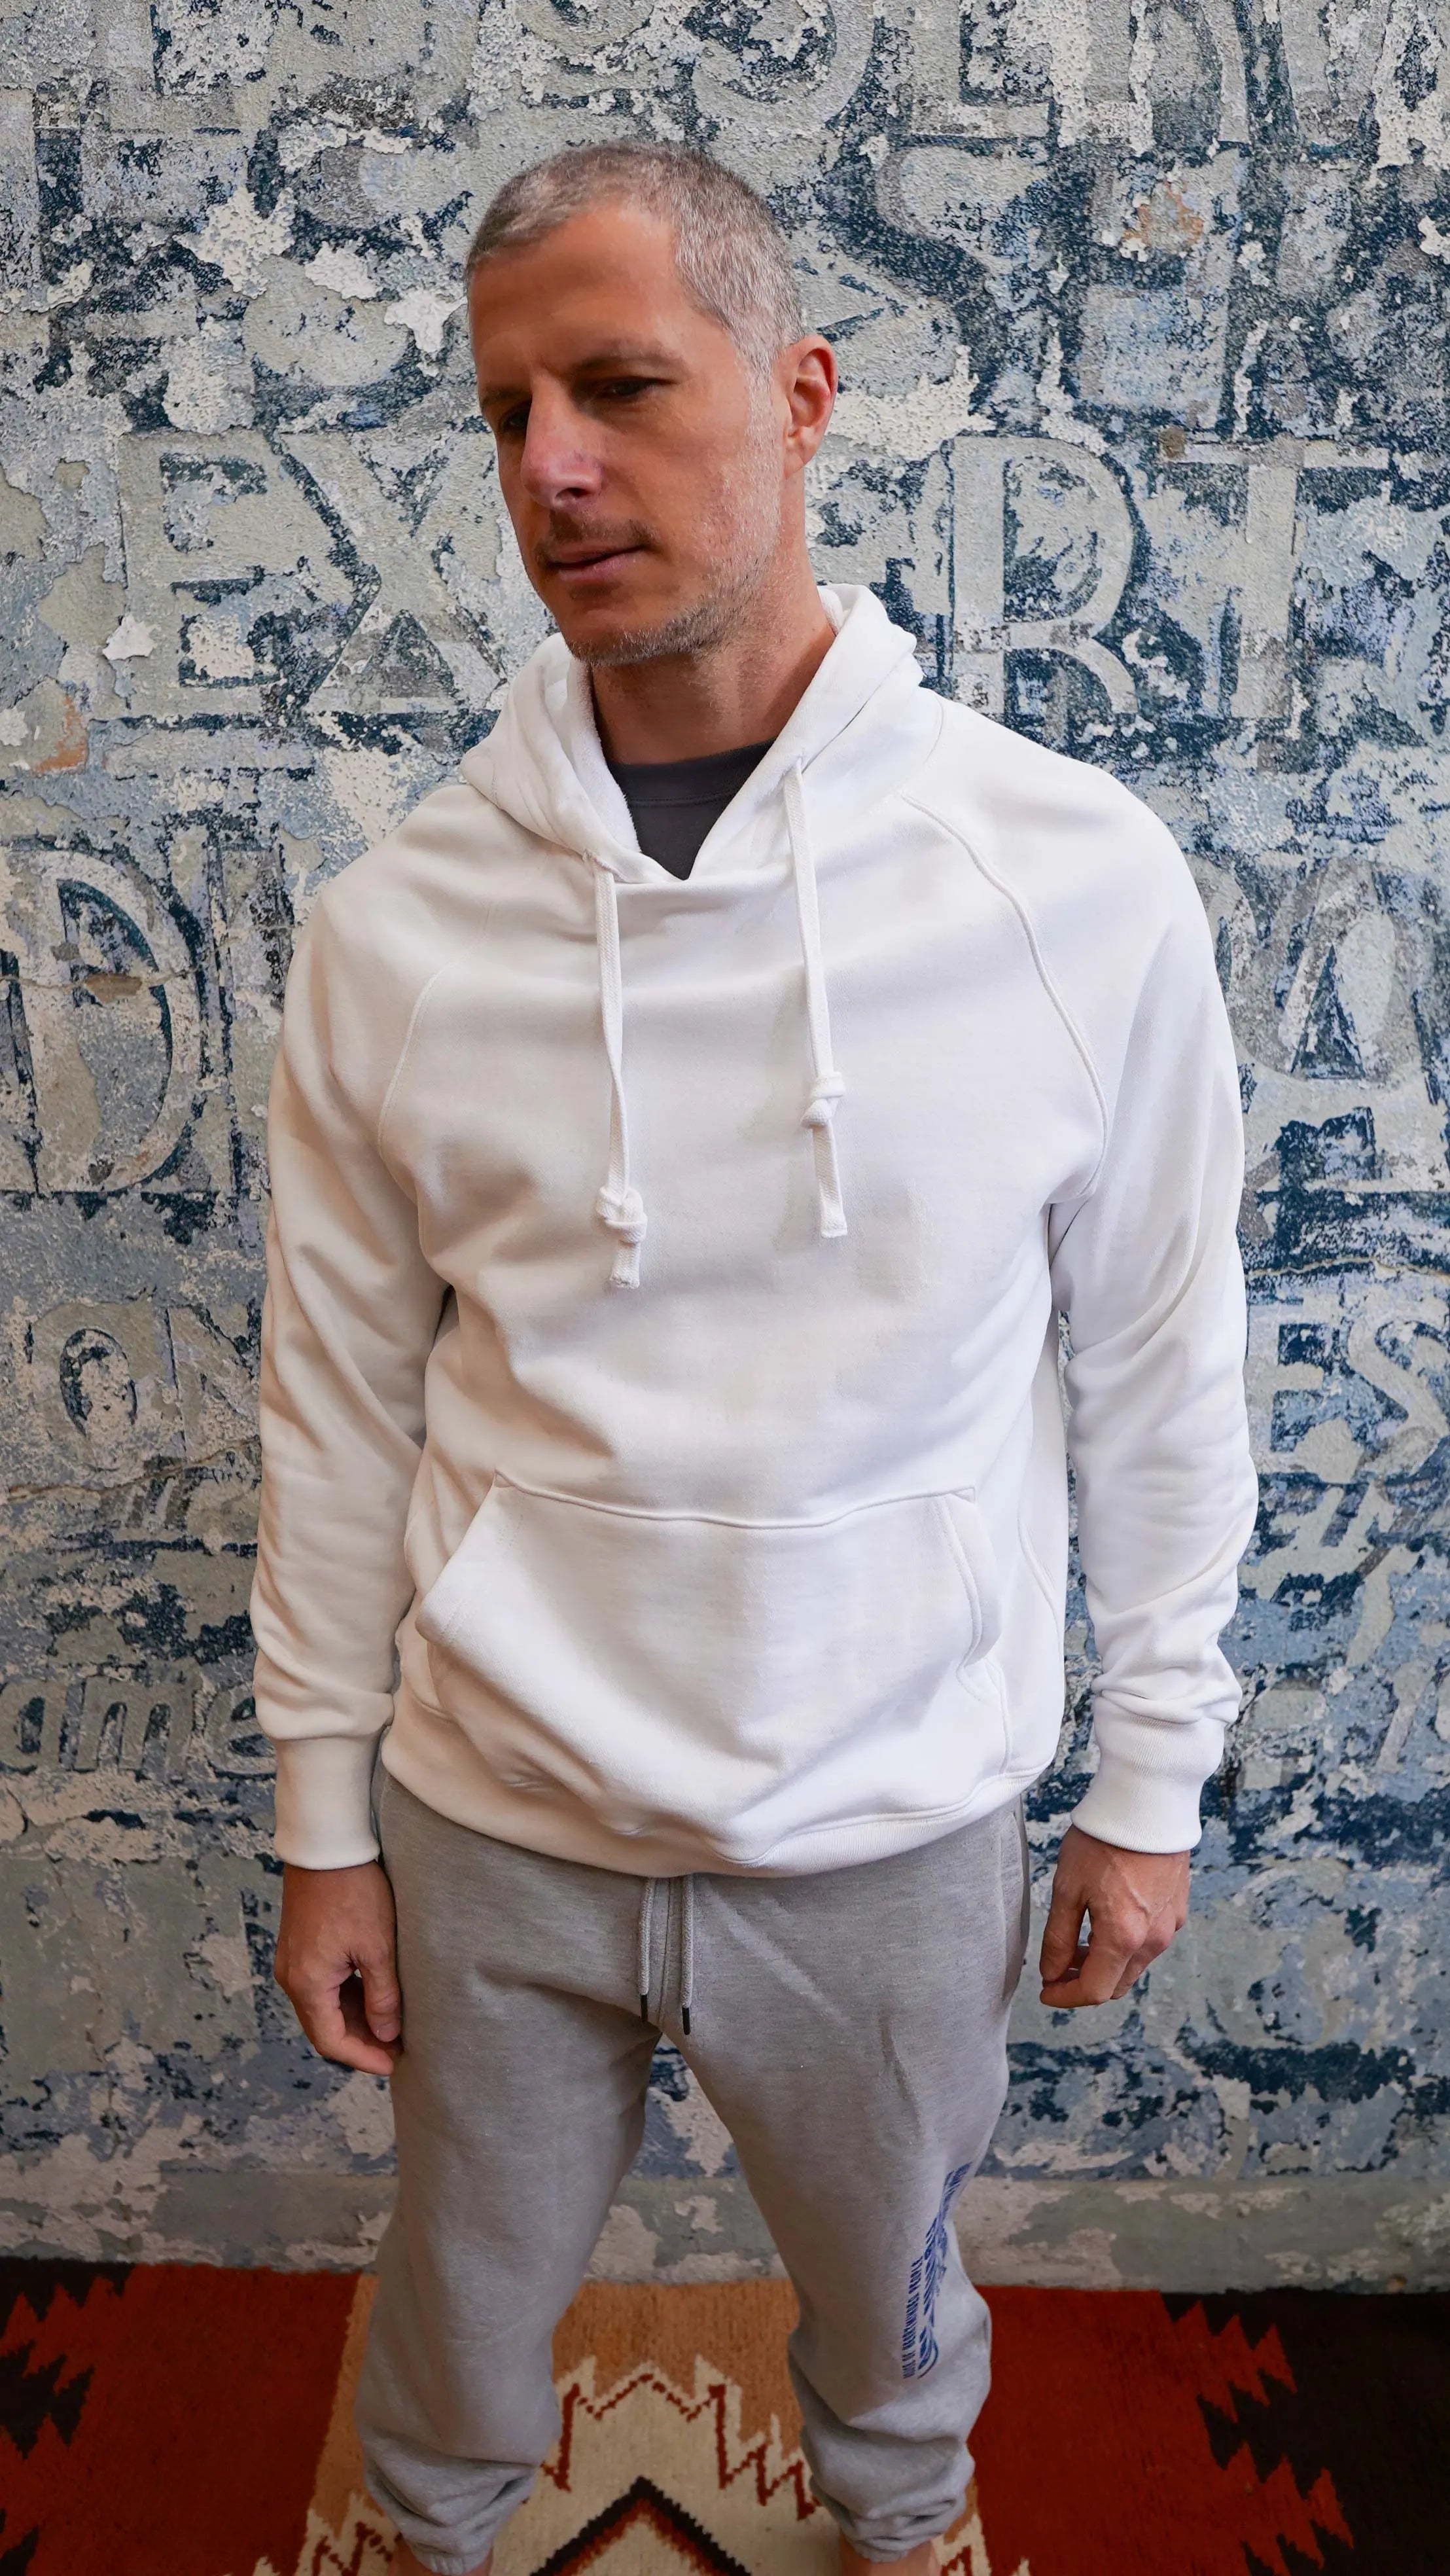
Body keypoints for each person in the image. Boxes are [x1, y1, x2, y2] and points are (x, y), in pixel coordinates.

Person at [255, 143, 1260, 2575]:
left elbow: (1156, 1353)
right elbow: (338, 1403)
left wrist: (1151, 1778)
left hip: (889, 1816)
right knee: (453, 2338)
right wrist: (321, 1823)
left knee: (898, 2335)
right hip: (500, 1810)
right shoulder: (400, 930)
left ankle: (906, 2534)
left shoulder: (1068, 880)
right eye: (506, 413)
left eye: (619, 388)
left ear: (801, 395)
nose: (552, 469)